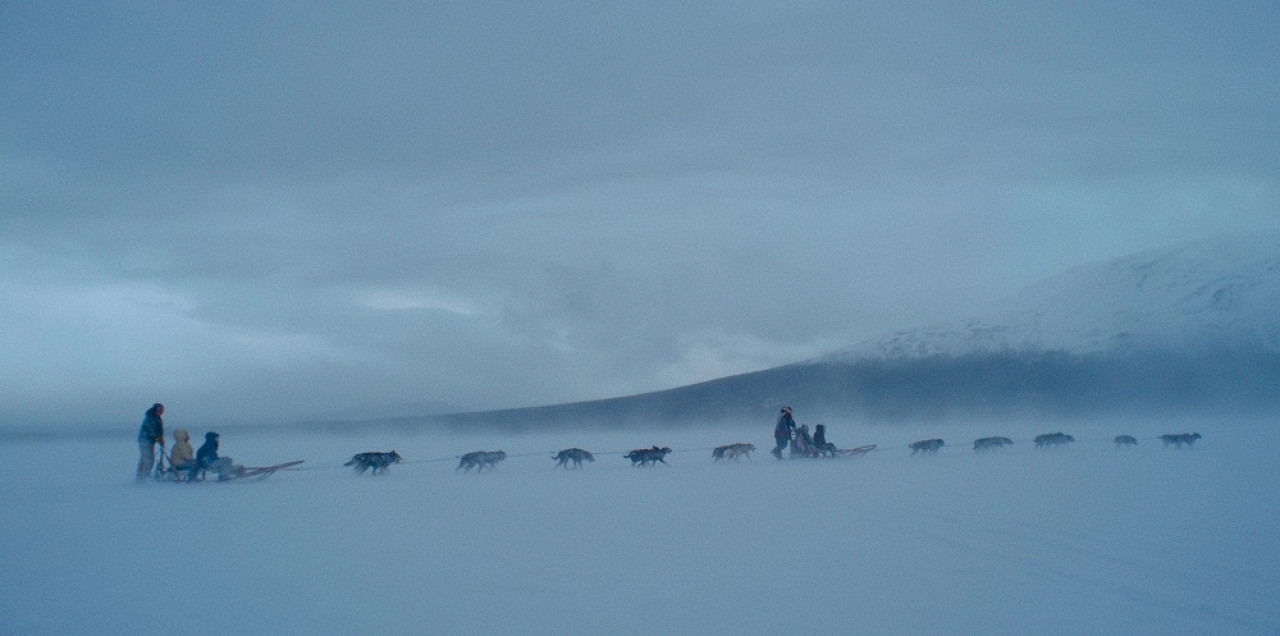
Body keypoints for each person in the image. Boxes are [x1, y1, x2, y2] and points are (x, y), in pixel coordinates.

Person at [135, 403, 165, 482]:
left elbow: (158, 430)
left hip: (149, 442)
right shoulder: (150, 418)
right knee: (149, 461)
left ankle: (139, 477)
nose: (162, 411)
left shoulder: (156, 417)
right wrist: (159, 438)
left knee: (143, 460)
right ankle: (144, 478)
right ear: (157, 409)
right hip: (145, 441)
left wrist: (160, 439)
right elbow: (152, 430)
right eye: (161, 410)